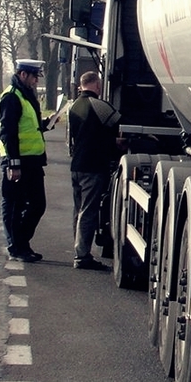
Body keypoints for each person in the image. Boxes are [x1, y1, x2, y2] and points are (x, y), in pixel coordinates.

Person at [69, 70, 124, 270]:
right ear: (97, 85)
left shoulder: (73, 106)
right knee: (88, 211)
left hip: (76, 165)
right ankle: (82, 255)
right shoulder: (99, 105)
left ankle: (78, 249)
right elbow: (118, 123)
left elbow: (81, 135)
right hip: (93, 166)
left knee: (78, 210)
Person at [0, 59, 49, 262]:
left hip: (33, 161)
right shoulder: (12, 97)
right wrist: (14, 163)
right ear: (23, 75)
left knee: (38, 205)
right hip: (18, 162)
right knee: (14, 205)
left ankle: (21, 242)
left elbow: (28, 126)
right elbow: (8, 132)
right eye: (34, 76)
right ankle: (17, 246)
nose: (36, 81)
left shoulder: (26, 95)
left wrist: (45, 124)